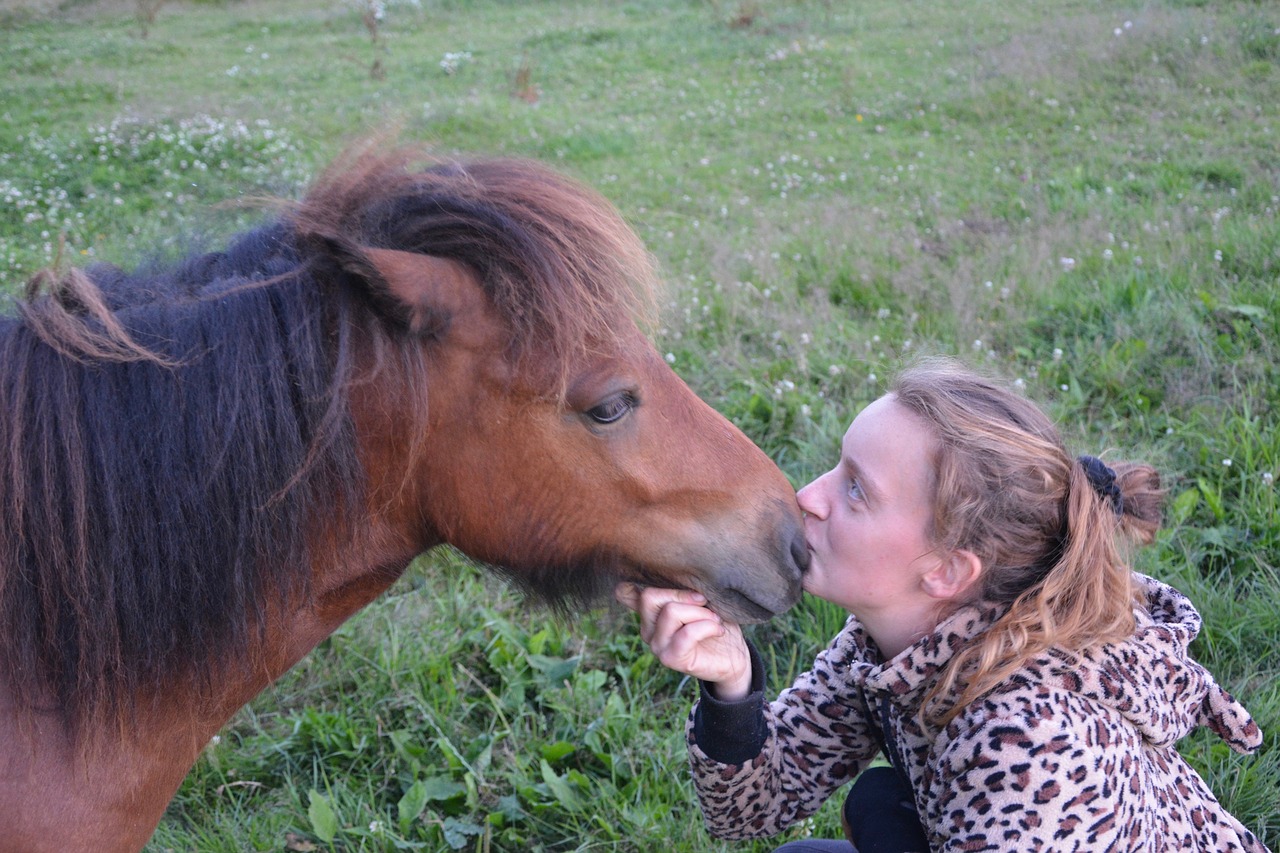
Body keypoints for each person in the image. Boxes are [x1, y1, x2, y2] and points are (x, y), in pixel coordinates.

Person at [616, 357, 1270, 852]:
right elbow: (749, 811)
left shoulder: (1028, 746)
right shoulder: (892, 645)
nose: (807, 496)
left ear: (949, 570)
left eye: (855, 491)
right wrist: (731, 687)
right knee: (851, 821)